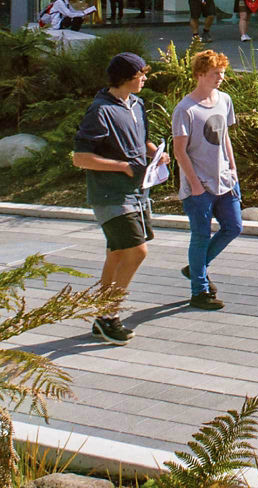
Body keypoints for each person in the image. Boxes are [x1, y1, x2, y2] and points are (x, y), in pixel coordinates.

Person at [72, 52, 166, 346]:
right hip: (110, 194)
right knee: (137, 252)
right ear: (126, 77)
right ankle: (108, 316)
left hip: (137, 193)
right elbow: (80, 158)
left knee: (116, 252)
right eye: (141, 74)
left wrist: (155, 153)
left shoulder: (136, 104)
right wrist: (123, 167)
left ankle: (103, 315)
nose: (145, 78)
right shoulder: (99, 111)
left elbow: (142, 141)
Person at [171, 50, 242, 312]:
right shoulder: (185, 109)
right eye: (215, 74)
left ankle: (196, 268)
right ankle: (198, 291)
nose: (221, 78)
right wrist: (196, 185)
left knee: (233, 227)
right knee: (200, 236)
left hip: (225, 180)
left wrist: (233, 170)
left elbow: (225, 137)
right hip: (199, 185)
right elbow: (179, 151)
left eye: (222, 73)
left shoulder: (224, 100)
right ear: (200, 75)